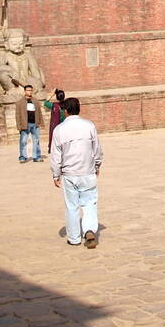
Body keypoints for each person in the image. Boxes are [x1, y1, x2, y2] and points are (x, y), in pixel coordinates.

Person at [51, 97, 103, 248]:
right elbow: (97, 149)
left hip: (69, 173)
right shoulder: (89, 126)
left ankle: (74, 238)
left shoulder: (59, 130)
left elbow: (56, 155)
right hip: (87, 170)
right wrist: (97, 165)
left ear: (65, 111)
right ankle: (89, 230)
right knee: (89, 203)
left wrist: (56, 174)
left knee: (72, 206)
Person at [17, 84, 43, 162]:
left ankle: (37, 156)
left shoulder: (35, 101)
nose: (30, 92)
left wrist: (40, 122)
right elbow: (18, 115)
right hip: (25, 124)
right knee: (23, 141)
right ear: (24, 91)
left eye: (31, 90)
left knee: (36, 141)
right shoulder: (20, 102)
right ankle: (23, 157)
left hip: (35, 124)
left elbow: (39, 112)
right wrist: (19, 126)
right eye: (28, 90)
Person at [46, 88, 66, 153]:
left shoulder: (54, 105)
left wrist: (52, 94)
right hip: (65, 126)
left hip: (56, 127)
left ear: (57, 97)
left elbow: (46, 102)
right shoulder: (67, 105)